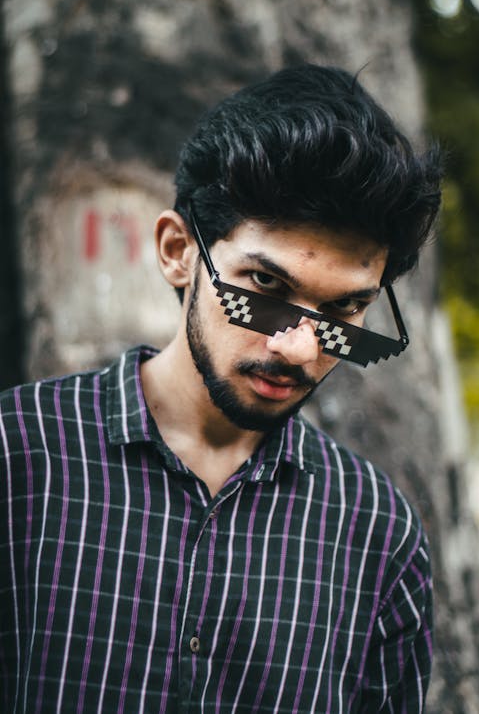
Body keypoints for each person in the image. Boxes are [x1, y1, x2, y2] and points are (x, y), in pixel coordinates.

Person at [0, 64, 441, 713]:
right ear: (179, 250)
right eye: (265, 288)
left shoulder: (377, 532)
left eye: (345, 312)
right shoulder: (17, 457)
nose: (298, 347)